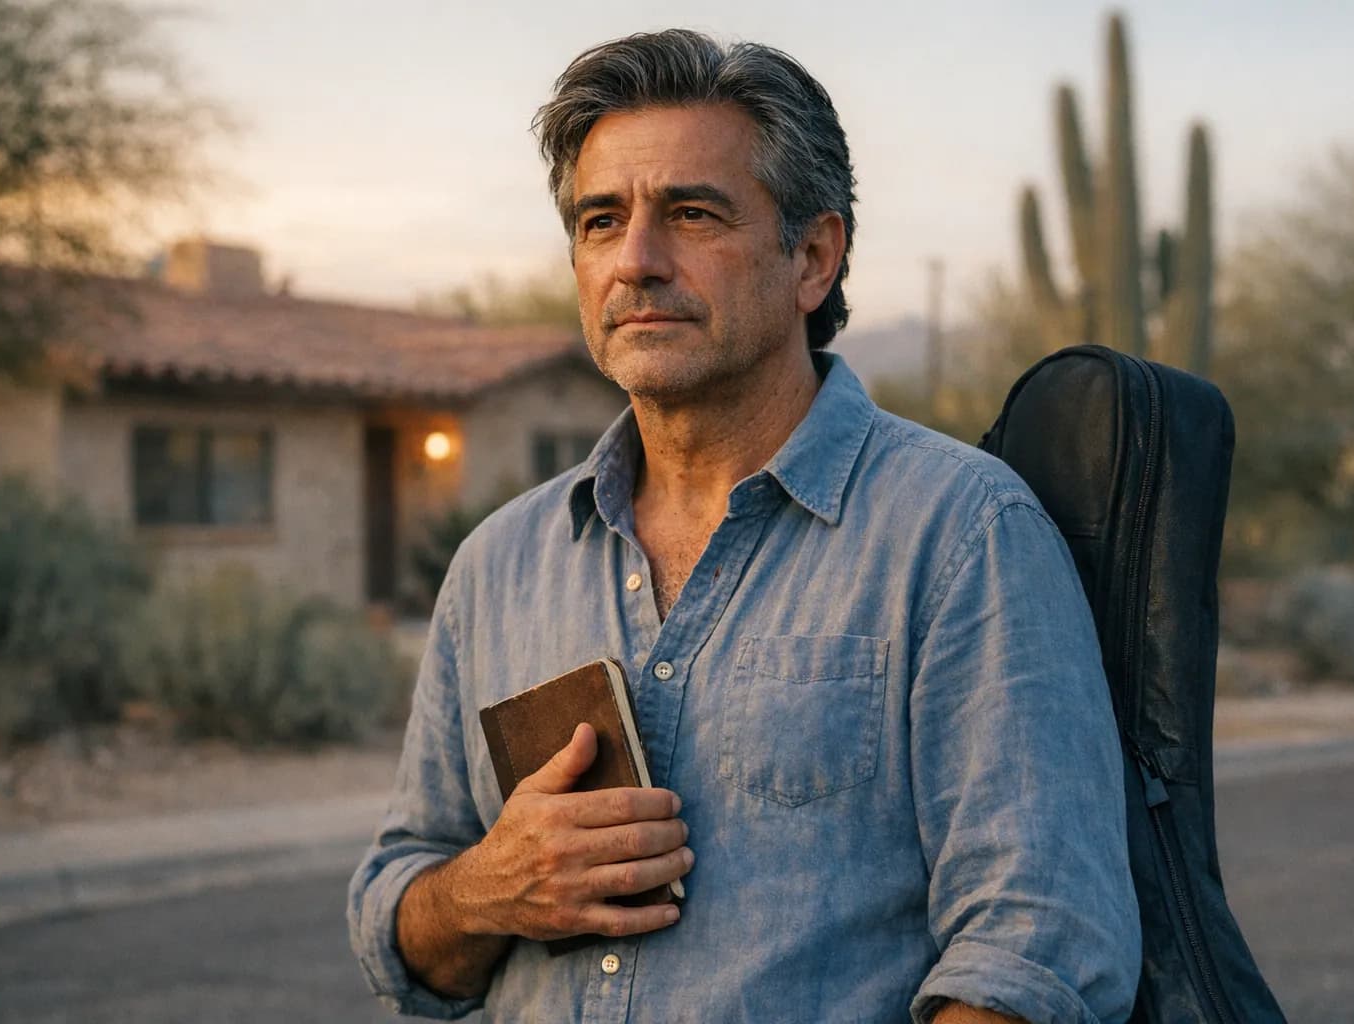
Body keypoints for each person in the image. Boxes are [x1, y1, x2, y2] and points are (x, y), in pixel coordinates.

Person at [349, 29, 1139, 1024]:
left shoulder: (961, 534)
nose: (636, 261)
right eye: (601, 221)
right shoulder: (499, 566)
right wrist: (486, 889)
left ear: (813, 256)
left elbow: (1037, 946)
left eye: (691, 213)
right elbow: (401, 918)